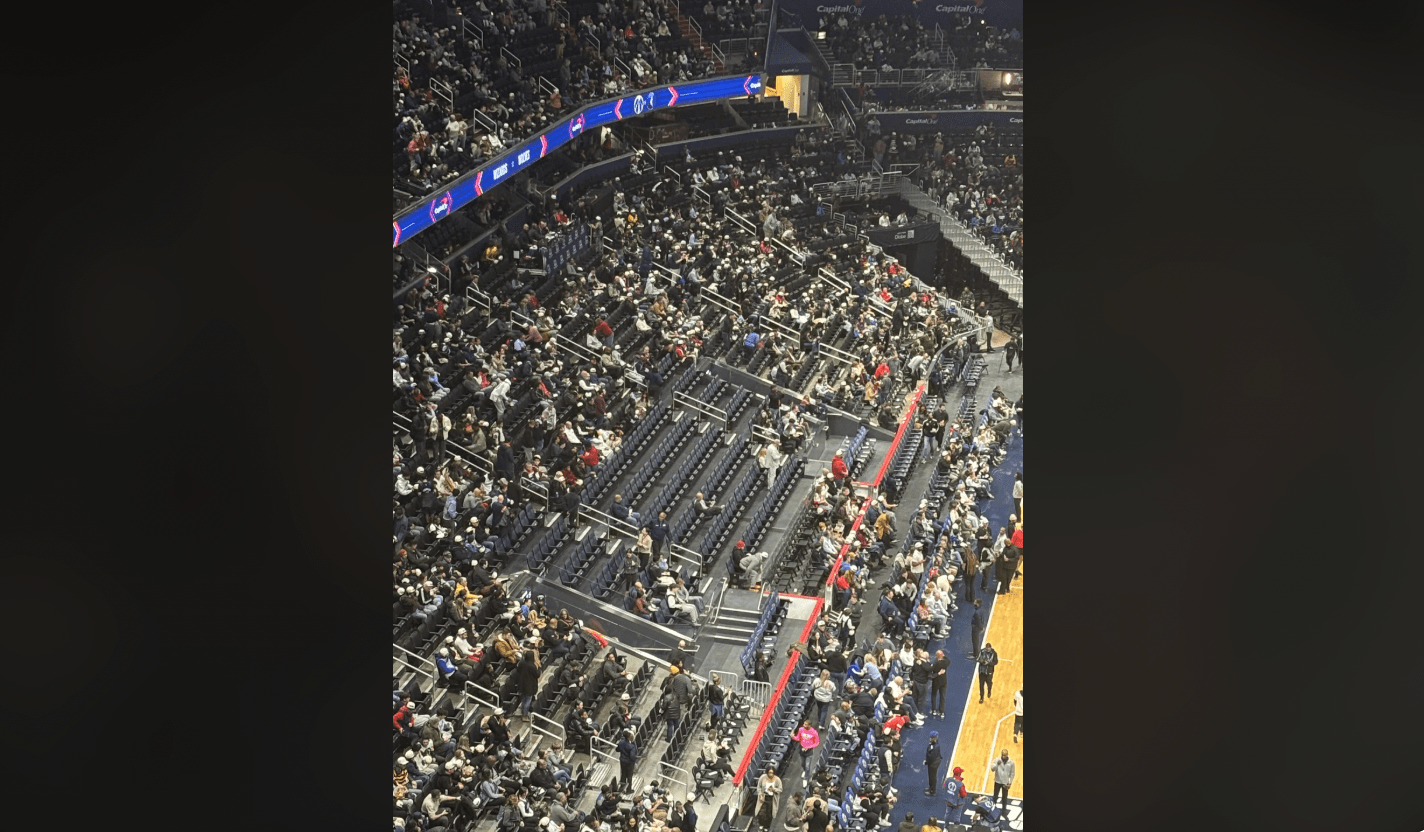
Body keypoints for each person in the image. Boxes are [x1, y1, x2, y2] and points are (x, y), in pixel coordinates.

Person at [929, 649, 950, 717]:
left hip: (936, 681)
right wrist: (943, 655)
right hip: (944, 681)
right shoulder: (946, 662)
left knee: (934, 695)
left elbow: (931, 670)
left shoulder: (936, 663)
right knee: (942, 696)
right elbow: (948, 660)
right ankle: (941, 711)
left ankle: (933, 710)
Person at [923, 731, 942, 796]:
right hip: (932, 762)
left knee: (932, 777)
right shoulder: (934, 743)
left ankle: (932, 791)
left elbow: (931, 757)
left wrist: (926, 761)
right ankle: (931, 787)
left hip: (933, 764)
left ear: (934, 738)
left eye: (931, 737)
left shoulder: (935, 747)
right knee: (931, 777)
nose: (930, 738)